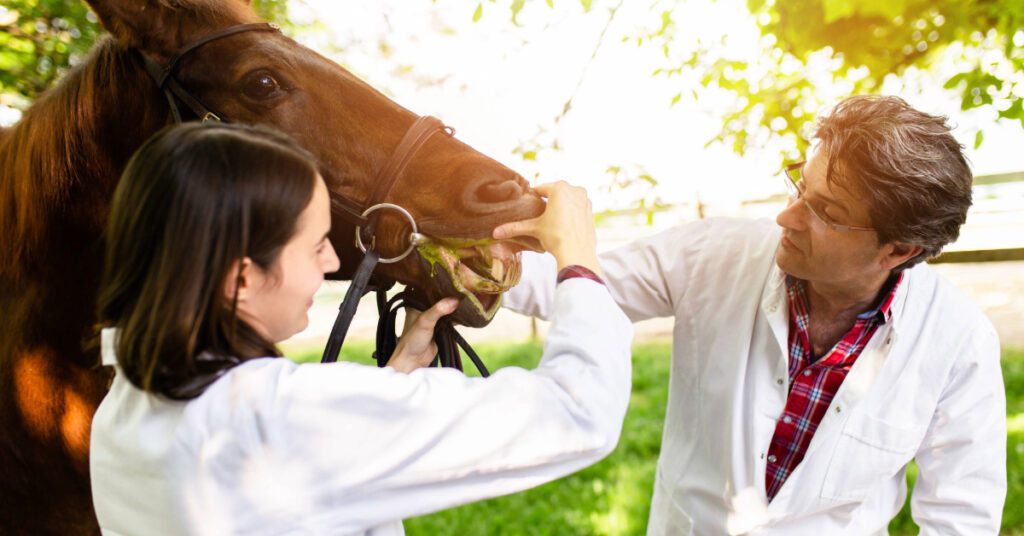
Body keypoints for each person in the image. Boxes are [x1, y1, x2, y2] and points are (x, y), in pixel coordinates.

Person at [90, 122, 633, 535]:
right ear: (240, 280)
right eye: (315, 244)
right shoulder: (280, 418)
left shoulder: (121, 411)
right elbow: (577, 411)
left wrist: (391, 384)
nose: (330, 262)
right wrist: (578, 260)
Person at [497, 95, 1006, 533]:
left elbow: (961, 519)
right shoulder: (712, 254)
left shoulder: (957, 343)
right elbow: (571, 284)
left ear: (897, 251)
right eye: (800, 185)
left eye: (826, 212)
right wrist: (463, 248)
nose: (787, 216)